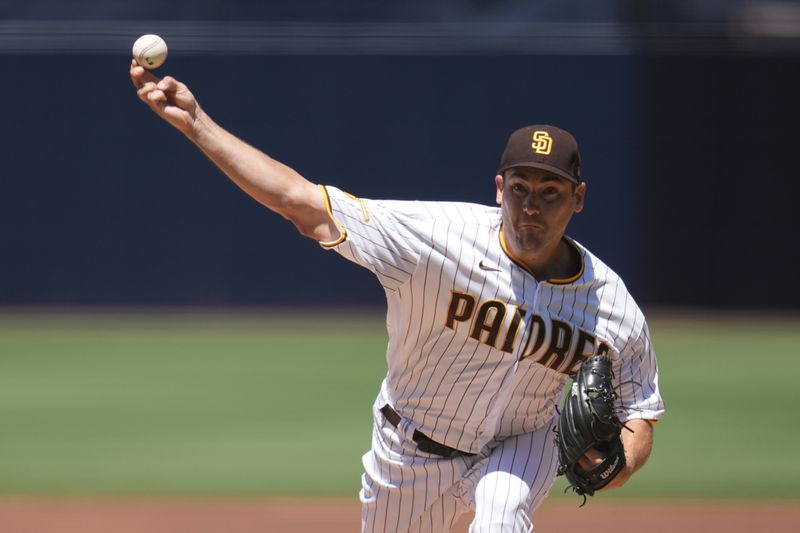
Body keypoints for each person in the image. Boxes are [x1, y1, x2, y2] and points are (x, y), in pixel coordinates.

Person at [130, 60, 664, 533]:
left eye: (550, 193)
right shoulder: (434, 239)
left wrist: (621, 465)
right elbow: (299, 201)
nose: (532, 206)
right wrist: (199, 125)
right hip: (410, 448)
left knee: (501, 513)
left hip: (523, 443)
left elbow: (640, 407)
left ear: (579, 199)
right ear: (498, 189)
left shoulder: (609, 303)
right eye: (521, 188)